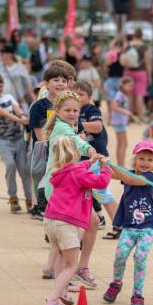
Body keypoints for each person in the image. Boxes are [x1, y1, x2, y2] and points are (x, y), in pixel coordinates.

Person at [43, 136, 110, 305]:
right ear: (76, 153)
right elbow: (101, 182)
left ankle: (61, 291)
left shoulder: (60, 171)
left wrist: (91, 162)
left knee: (61, 258)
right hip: (65, 224)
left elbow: (78, 168)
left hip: (51, 221)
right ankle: (52, 301)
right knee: (71, 265)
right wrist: (105, 169)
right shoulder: (77, 173)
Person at [39, 90, 98, 288]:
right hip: (61, 187)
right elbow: (77, 143)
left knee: (73, 228)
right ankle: (75, 269)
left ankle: (61, 269)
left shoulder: (63, 126)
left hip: (59, 185)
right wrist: (89, 149)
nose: (72, 113)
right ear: (57, 111)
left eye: (75, 110)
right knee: (83, 225)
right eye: (67, 110)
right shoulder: (62, 129)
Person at [103, 141, 153, 305]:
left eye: (149, 160)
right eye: (141, 158)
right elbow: (113, 174)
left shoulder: (149, 177)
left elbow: (128, 179)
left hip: (147, 227)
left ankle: (137, 294)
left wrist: (112, 169)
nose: (145, 162)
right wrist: (101, 163)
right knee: (120, 255)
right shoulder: (128, 173)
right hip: (129, 226)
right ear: (134, 160)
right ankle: (116, 283)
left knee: (140, 257)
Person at [73, 80, 119, 236]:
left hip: (97, 157)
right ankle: (87, 223)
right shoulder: (73, 111)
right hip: (85, 159)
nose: (78, 97)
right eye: (76, 94)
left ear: (89, 96)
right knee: (85, 192)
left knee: (101, 192)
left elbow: (98, 126)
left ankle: (119, 224)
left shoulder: (91, 109)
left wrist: (76, 124)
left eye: (82, 94)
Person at [28, 66, 70, 222]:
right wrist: (49, 147)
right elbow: (39, 133)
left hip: (64, 151)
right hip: (45, 150)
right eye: (56, 80)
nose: (60, 84)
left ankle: (57, 210)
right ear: (46, 83)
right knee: (42, 178)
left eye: (63, 81)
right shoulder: (39, 106)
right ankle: (39, 207)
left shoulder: (68, 105)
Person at [0, 72, 32, 213]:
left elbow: (17, 109)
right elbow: (5, 114)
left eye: (0, 86)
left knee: (24, 170)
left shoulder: (9, 97)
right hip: (4, 141)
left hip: (18, 139)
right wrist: (20, 120)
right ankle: (13, 197)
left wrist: (24, 116)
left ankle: (30, 200)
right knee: (11, 166)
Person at [120, 28, 151, 120]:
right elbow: (147, 62)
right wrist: (149, 75)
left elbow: (123, 60)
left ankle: (129, 118)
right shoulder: (144, 47)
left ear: (134, 35)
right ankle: (140, 117)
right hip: (140, 72)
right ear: (142, 36)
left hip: (128, 72)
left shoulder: (128, 46)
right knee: (139, 95)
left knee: (129, 96)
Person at [0, 45, 35, 109]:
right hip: (1, 102)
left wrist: (34, 99)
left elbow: (27, 85)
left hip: (19, 102)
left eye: (2, 54)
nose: (0, 56)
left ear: (9, 54)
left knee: (24, 117)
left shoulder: (20, 68)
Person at [111, 77, 135, 167]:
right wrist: (126, 112)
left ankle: (120, 165)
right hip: (119, 122)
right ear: (123, 85)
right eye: (129, 86)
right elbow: (114, 106)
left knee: (122, 143)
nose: (130, 88)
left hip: (120, 122)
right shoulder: (119, 94)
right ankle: (120, 165)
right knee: (123, 143)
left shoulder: (123, 95)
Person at [104, 38, 124, 125]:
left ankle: (110, 118)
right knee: (118, 99)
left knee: (111, 99)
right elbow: (124, 64)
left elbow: (106, 65)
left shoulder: (110, 54)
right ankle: (118, 119)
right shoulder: (122, 55)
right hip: (120, 78)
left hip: (111, 78)